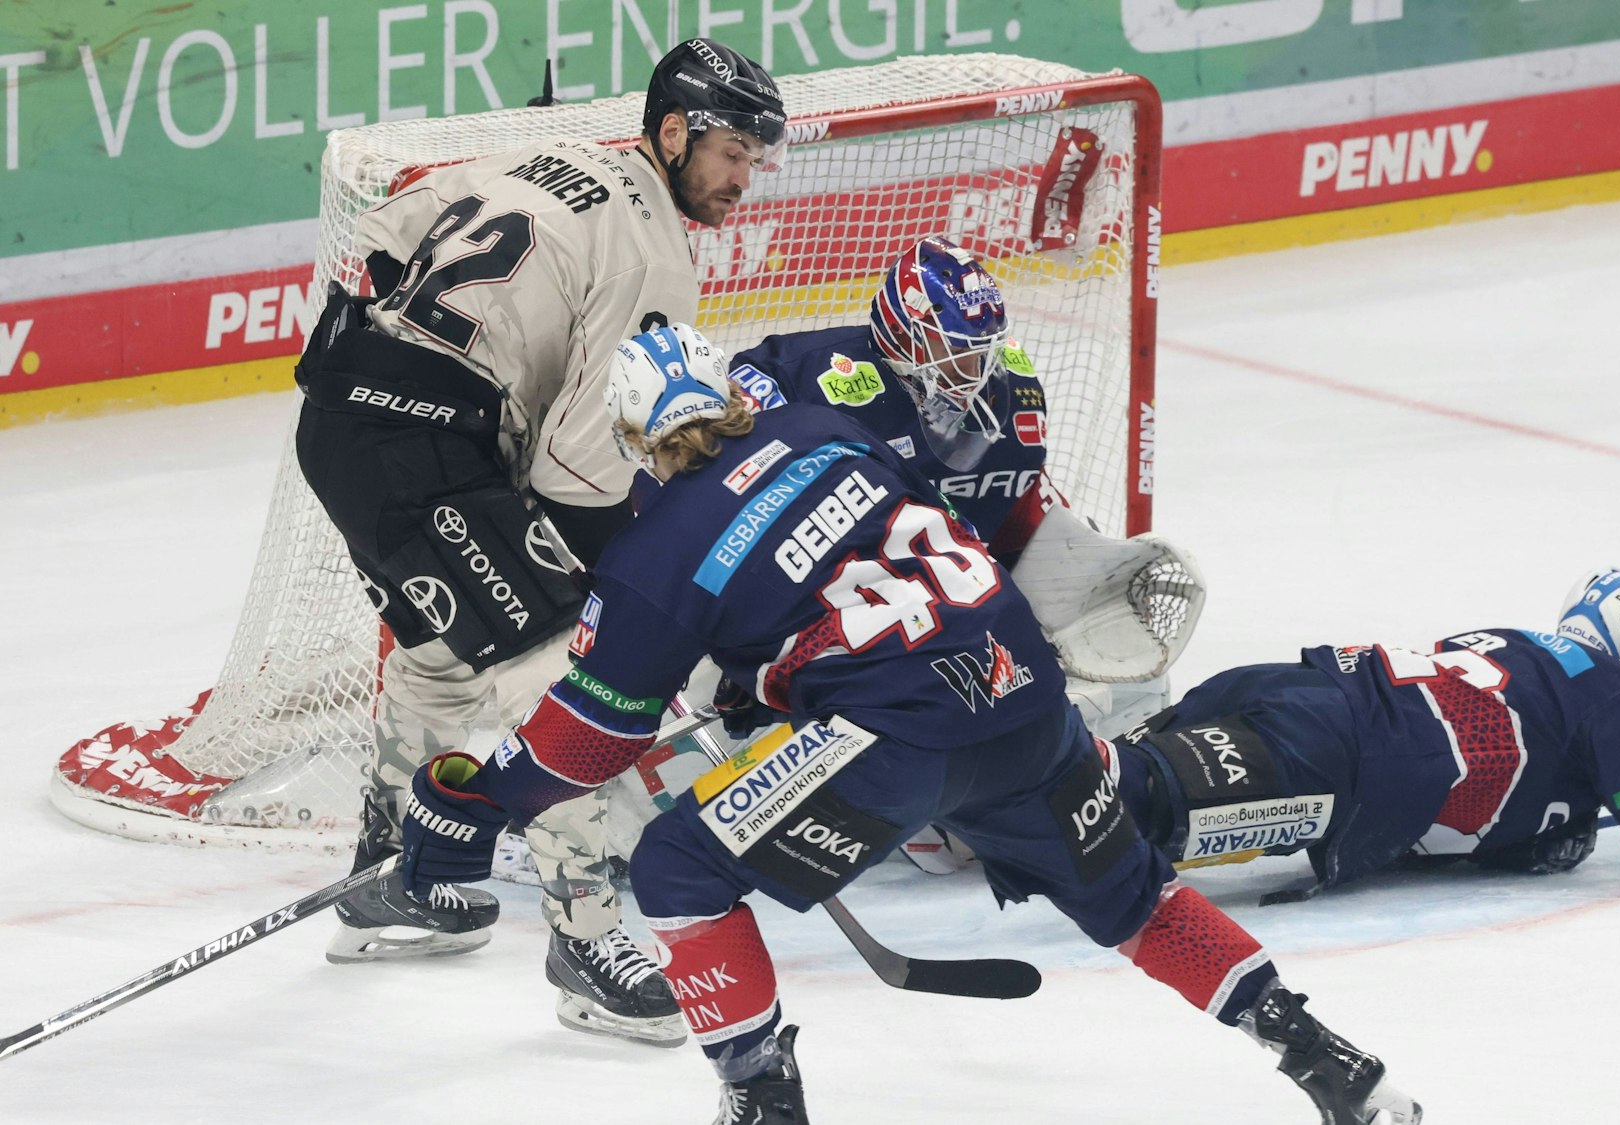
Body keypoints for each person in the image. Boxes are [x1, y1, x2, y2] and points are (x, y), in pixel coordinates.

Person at [393, 323, 1422, 1125]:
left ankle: (760, 1098)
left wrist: (475, 803)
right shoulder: (826, 431)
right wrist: (778, 671)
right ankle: (1323, 1059)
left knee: (676, 869)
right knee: (1134, 899)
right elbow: (867, 571)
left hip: (899, 740)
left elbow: (588, 744)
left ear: (629, 441)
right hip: (1024, 698)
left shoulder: (655, 554)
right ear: (732, 396)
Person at [289, 37, 785, 1045]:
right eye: (733, 152)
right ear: (676, 130)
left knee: (436, 652)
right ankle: (585, 943)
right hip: (419, 450)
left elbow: (386, 242)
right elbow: (575, 469)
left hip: (346, 416)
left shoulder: (554, 158)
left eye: (755, 158)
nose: (745, 179)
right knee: (562, 684)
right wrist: (603, 591)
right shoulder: (654, 253)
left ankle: (397, 880)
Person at [722, 236, 1204, 740]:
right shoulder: (798, 379)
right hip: (824, 612)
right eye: (948, 349)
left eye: (978, 352)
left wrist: (1079, 563)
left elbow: (1019, 508)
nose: (968, 372)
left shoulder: (1011, 399)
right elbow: (729, 508)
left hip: (932, 614)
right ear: (900, 334)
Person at [1101, 570, 1620, 895]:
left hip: (1296, 686)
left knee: (1088, 775)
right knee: (1102, 811)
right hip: (1334, 757)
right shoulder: (1617, 692)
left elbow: (1476, 785)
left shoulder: (1517, 648)